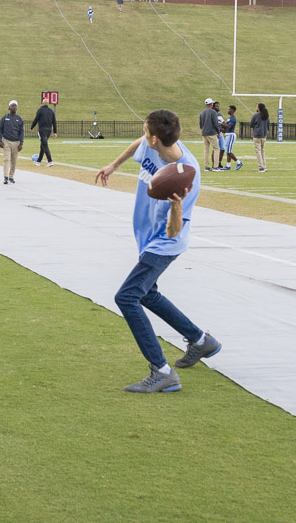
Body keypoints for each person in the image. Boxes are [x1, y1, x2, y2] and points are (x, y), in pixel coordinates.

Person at [95, 108, 220, 393]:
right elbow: (136, 144)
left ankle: (162, 371)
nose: (143, 134)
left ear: (155, 138)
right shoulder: (152, 144)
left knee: (127, 297)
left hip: (164, 244)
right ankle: (201, 341)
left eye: (145, 130)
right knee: (147, 293)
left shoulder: (187, 175)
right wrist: (113, 166)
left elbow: (175, 231)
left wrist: (176, 205)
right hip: (146, 235)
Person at [0, 99, 24, 184]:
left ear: (17, 108)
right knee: (6, 159)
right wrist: (0, 140)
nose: (14, 107)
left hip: (16, 142)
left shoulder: (19, 119)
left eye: (15, 106)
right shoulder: (5, 118)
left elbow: (21, 132)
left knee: (14, 161)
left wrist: (21, 143)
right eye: (12, 105)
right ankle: (5, 177)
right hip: (6, 141)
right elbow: (0, 129)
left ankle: (11, 176)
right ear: (9, 107)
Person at [30, 97, 57, 166]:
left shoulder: (40, 110)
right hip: (48, 130)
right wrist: (55, 132)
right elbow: (54, 122)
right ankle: (38, 161)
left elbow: (36, 119)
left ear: (42, 103)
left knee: (45, 145)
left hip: (42, 130)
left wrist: (32, 127)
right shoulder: (51, 111)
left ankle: (50, 161)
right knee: (43, 145)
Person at [199, 98, 222, 171]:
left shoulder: (202, 112)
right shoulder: (213, 112)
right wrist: (218, 131)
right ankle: (215, 166)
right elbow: (215, 123)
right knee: (216, 148)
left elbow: (200, 124)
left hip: (204, 132)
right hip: (211, 133)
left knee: (206, 150)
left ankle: (206, 166)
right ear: (211, 104)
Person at [221, 105, 243, 170]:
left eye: (229, 109)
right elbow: (225, 128)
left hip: (231, 135)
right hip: (228, 135)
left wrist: (221, 123)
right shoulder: (229, 118)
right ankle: (228, 166)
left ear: (232, 110)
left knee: (228, 151)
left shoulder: (233, 118)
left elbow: (229, 126)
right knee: (228, 151)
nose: (228, 110)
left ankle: (239, 162)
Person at [251, 102, 270, 172]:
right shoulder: (267, 116)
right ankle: (264, 165)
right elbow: (268, 126)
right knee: (262, 151)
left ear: (259, 108)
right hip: (264, 135)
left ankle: (261, 167)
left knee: (258, 151)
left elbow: (251, 124)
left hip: (257, 135)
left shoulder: (255, 116)